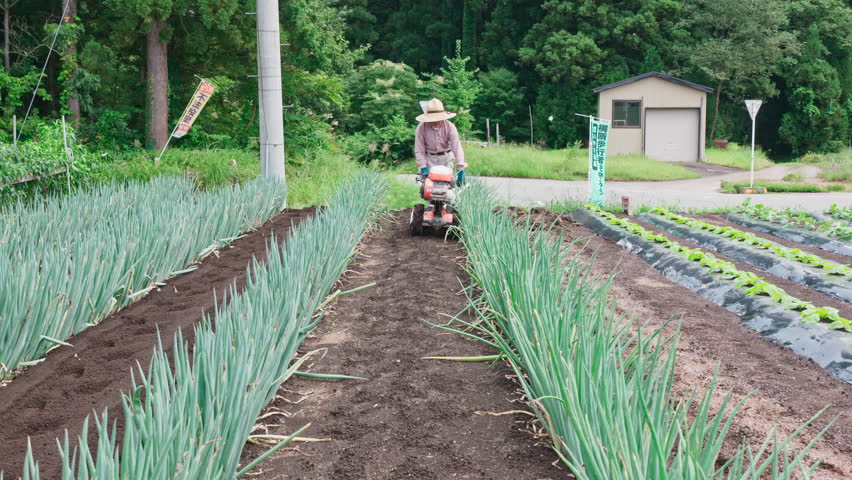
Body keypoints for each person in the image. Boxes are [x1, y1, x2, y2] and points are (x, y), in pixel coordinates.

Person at [414, 98, 467, 185]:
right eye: (432, 118)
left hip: (446, 159)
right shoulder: (421, 128)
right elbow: (419, 150)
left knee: (447, 189)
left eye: (437, 118)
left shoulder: (450, 127)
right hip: (428, 159)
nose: (435, 121)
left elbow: (457, 148)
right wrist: (423, 167)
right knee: (428, 190)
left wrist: (460, 169)